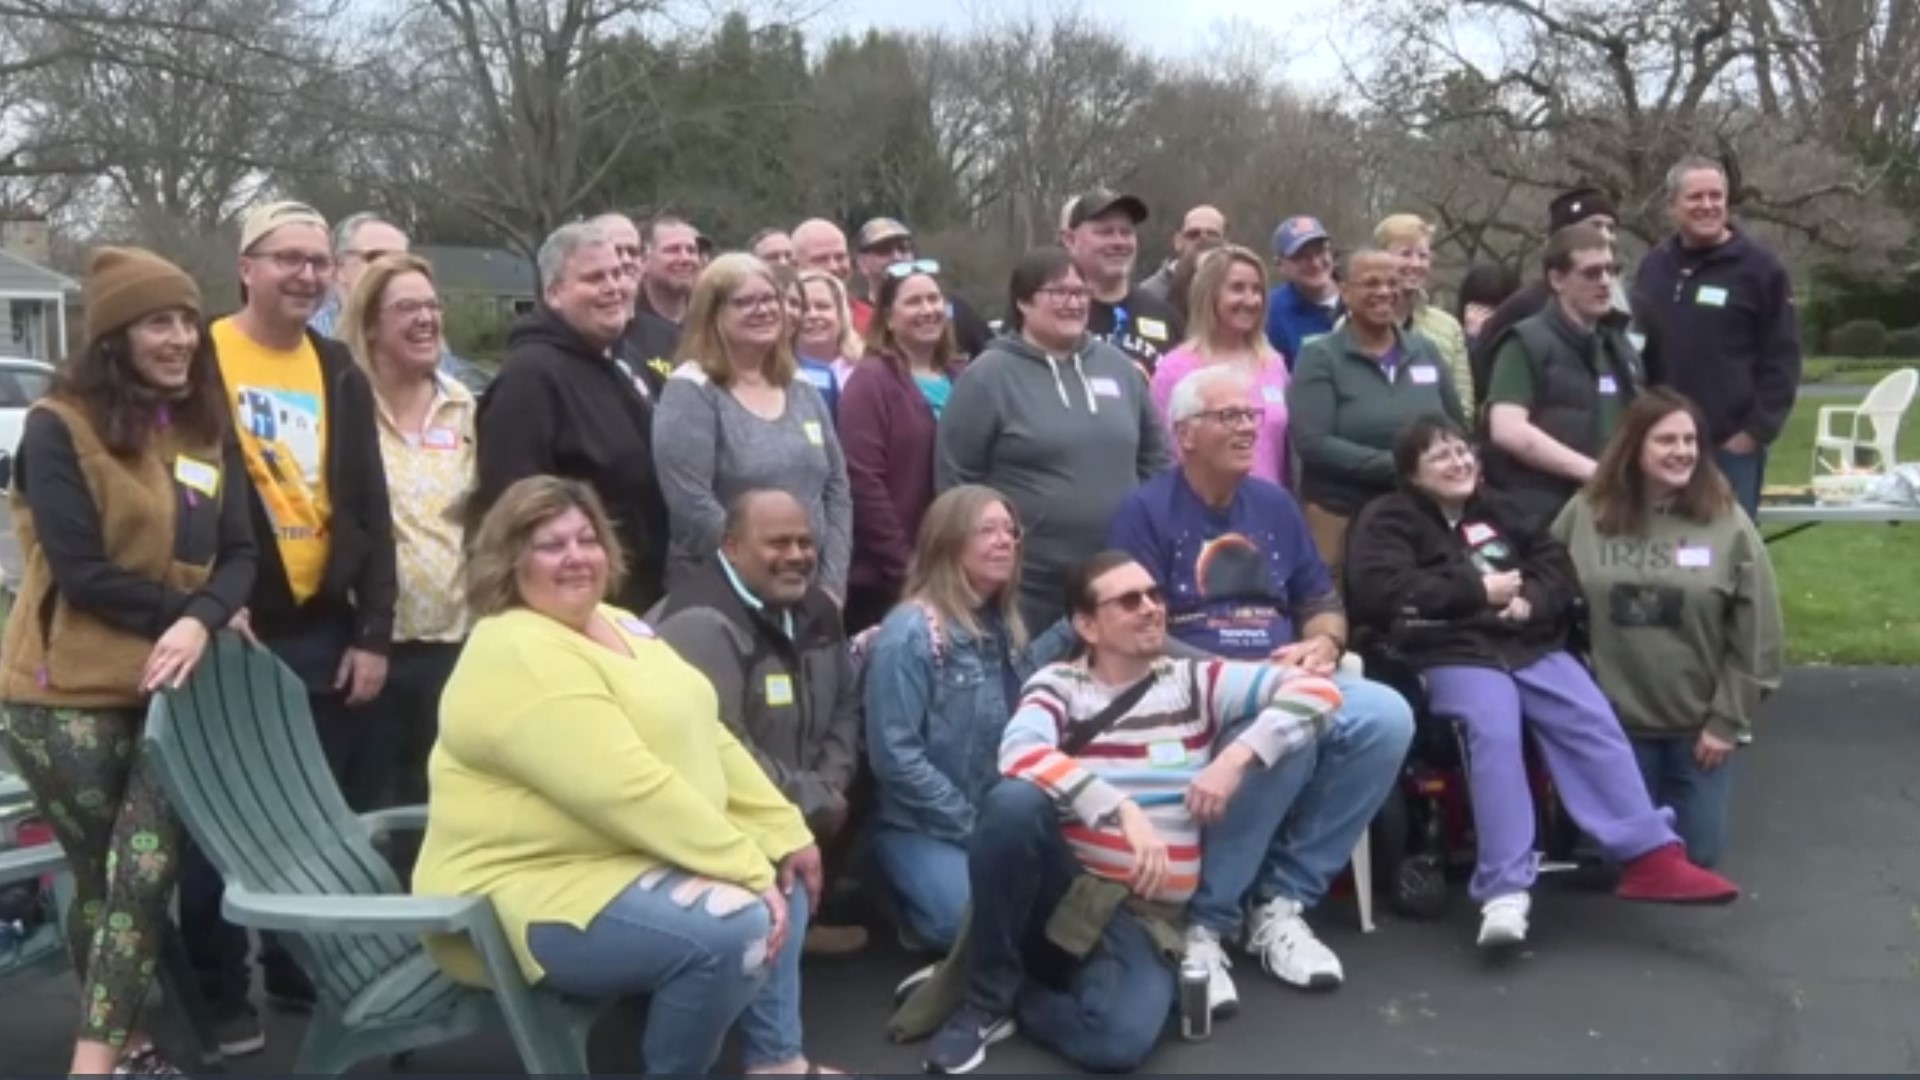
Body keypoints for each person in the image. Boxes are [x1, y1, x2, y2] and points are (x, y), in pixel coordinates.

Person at [412, 477, 846, 1076]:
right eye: (549, 545)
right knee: (733, 928)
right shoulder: (515, 649)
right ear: (510, 560)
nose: (575, 557)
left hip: (613, 858)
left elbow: (706, 727)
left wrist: (782, 829)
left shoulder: (617, 623)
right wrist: (743, 864)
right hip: (525, 890)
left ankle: (777, 1061)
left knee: (784, 865)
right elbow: (624, 786)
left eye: (586, 539)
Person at [921, 552, 1344, 1074]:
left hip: (1138, 919)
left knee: (1116, 1043)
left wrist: (1236, 758)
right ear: (1087, 625)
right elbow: (1020, 753)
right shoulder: (1060, 684)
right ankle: (982, 1003)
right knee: (1014, 802)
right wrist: (1120, 809)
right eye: (1128, 600)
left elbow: (1320, 691)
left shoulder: (1194, 680)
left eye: (1154, 595)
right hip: (1065, 889)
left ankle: (1018, 994)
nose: (1150, 608)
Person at [0, 247, 256, 1077]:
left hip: (173, 690)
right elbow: (82, 572)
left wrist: (202, 618)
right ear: (114, 335)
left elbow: (243, 554)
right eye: (158, 321)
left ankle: (91, 1065)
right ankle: (134, 1047)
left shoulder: (205, 425)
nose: (181, 337)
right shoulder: (55, 427)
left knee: (142, 872)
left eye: (187, 319)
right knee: (106, 881)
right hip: (63, 697)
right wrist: (194, 614)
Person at [1344, 417, 1742, 950]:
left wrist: (1533, 596)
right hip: (1447, 651)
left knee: (1588, 712)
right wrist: (1476, 591)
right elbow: (1380, 591)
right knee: (1495, 725)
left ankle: (1651, 855)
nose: (1459, 463)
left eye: (1463, 452)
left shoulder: (1503, 510)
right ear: (1411, 473)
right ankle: (1505, 889)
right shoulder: (1386, 520)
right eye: (1441, 456)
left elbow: (1557, 568)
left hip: (1526, 642)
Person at [1110, 365, 1414, 993]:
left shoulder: (1273, 504)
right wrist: (1235, 676)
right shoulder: (1145, 511)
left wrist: (1324, 643)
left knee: (1387, 715)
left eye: (1251, 415)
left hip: (1289, 678)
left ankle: (1281, 901)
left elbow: (1322, 601)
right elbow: (1133, 626)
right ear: (1186, 433)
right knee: (1288, 731)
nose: (1248, 427)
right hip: (1194, 680)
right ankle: (1208, 923)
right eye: (1229, 417)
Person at [190, 200, 397, 1046]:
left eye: (318, 261)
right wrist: (205, 595)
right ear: (247, 266)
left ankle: (295, 964)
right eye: (288, 259)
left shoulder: (337, 364)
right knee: (217, 818)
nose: (306, 275)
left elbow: (369, 505)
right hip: (225, 620)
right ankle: (216, 990)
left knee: (308, 812)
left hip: (321, 623)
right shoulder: (202, 357)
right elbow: (172, 487)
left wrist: (375, 628)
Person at [1551, 389, 1784, 868]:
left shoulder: (1726, 521)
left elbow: (1759, 632)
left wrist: (1726, 723)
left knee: (1697, 853)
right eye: (1666, 440)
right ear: (1634, 446)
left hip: (1696, 731)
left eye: (1690, 439)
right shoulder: (1586, 512)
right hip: (1611, 728)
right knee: (1620, 860)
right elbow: (1546, 584)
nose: (1682, 451)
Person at [861, 486, 1075, 953]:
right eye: (987, 530)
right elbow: (895, 758)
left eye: (1010, 530)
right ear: (948, 541)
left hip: (989, 817)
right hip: (921, 823)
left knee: (1048, 913)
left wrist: (1073, 625)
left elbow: (1013, 691)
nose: (1005, 541)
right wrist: (974, 829)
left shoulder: (1002, 622)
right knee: (964, 922)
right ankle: (891, 889)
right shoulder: (911, 633)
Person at [654, 490, 869, 955]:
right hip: (724, 828)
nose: (796, 556)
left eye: (805, 542)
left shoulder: (820, 609)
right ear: (730, 547)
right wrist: (809, 798)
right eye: (778, 543)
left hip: (807, 806)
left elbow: (847, 705)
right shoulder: (699, 624)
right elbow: (719, 749)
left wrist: (831, 782)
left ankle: (802, 925)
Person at [936, 246, 1171, 629]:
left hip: (1118, 577)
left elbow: (1155, 457)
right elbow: (957, 478)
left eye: (1080, 293)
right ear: (1023, 302)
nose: (1073, 303)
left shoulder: (1119, 369)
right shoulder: (987, 377)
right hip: (1028, 588)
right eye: (1058, 292)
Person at [336, 253, 474, 844]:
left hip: (456, 639)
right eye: (407, 308)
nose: (426, 319)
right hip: (370, 646)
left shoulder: (464, 404)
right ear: (370, 324)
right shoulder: (345, 404)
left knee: (442, 804)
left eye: (432, 305)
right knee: (370, 805)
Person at [472, 221, 670, 612]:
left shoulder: (622, 360)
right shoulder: (528, 380)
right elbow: (514, 513)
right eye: (594, 278)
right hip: (578, 605)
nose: (613, 287)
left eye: (619, 274)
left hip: (645, 598)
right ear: (554, 293)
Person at [654, 253, 853, 600]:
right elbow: (691, 503)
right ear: (713, 314)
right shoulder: (692, 390)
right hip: (723, 599)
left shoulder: (800, 385)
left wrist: (832, 586)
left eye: (770, 299)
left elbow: (836, 489)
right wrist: (763, 570)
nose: (763, 310)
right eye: (744, 302)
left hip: (809, 594)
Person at [1631, 155, 1802, 516]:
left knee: (1725, 558)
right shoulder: (1653, 268)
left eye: (1716, 196)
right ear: (1672, 206)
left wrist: (1752, 434)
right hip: (1661, 448)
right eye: (1695, 197)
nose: (1707, 206)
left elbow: (1783, 360)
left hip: (1730, 449)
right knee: (1664, 552)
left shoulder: (1761, 270)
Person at [1286, 248, 1465, 583]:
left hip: (1422, 514)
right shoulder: (1320, 356)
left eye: (1393, 283)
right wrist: (1403, 466)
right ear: (1345, 291)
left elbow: (1455, 426)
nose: (1384, 292)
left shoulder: (1424, 351)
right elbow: (1313, 442)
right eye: (1370, 283)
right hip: (1341, 514)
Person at [1480, 223, 1646, 533]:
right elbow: (1506, 429)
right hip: (1542, 514)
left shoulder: (1618, 346)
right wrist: (1591, 472)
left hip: (1612, 508)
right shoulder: (1524, 342)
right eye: (1591, 273)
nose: (1606, 282)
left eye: (1612, 270)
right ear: (1557, 279)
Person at [837, 260, 959, 633]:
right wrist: (906, 567)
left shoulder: (963, 376)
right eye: (914, 302)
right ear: (888, 318)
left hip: (959, 572)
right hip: (888, 582)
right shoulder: (871, 382)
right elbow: (863, 480)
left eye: (934, 299)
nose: (928, 310)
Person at [1151, 244, 1292, 488]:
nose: (1250, 300)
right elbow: (1160, 454)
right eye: (1237, 288)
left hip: (1268, 512)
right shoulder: (1175, 368)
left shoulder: (1274, 364)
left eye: (1257, 290)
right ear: (1209, 294)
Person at [1471, 187, 1629, 401]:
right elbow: (1483, 373)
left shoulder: (1625, 308)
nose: (1606, 236)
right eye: (1595, 226)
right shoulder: (1526, 308)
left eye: (1611, 228)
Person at [309, 211, 488, 392]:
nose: (391, 268)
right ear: (340, 268)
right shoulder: (311, 337)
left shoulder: (423, 328)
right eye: (376, 257)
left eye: (401, 260)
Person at [1058, 189, 1185, 375]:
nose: (1119, 242)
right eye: (1105, 232)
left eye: (1126, 232)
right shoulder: (1052, 313)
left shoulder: (1165, 316)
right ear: (1069, 240)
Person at [1373, 214, 1473, 414]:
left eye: (1423, 256)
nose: (1416, 264)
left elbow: (1464, 407)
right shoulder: (1353, 325)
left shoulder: (1448, 327)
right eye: (1406, 254)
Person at [851, 219, 993, 359]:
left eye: (904, 248)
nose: (897, 257)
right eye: (884, 250)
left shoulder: (951, 308)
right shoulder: (851, 315)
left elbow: (989, 355)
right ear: (862, 264)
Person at [1265, 215, 1340, 367]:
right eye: (1301, 256)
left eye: (1321, 251)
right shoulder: (1270, 311)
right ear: (1280, 265)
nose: (1315, 262)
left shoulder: (1359, 298)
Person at [1138, 205, 1227, 304]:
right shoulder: (1149, 295)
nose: (1203, 240)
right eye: (1193, 234)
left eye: (1212, 235)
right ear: (1178, 242)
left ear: (1225, 244)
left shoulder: (1236, 293)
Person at [791, 269, 863, 393]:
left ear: (841, 313)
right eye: (803, 308)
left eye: (823, 306)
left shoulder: (867, 366)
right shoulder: (773, 370)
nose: (813, 315)